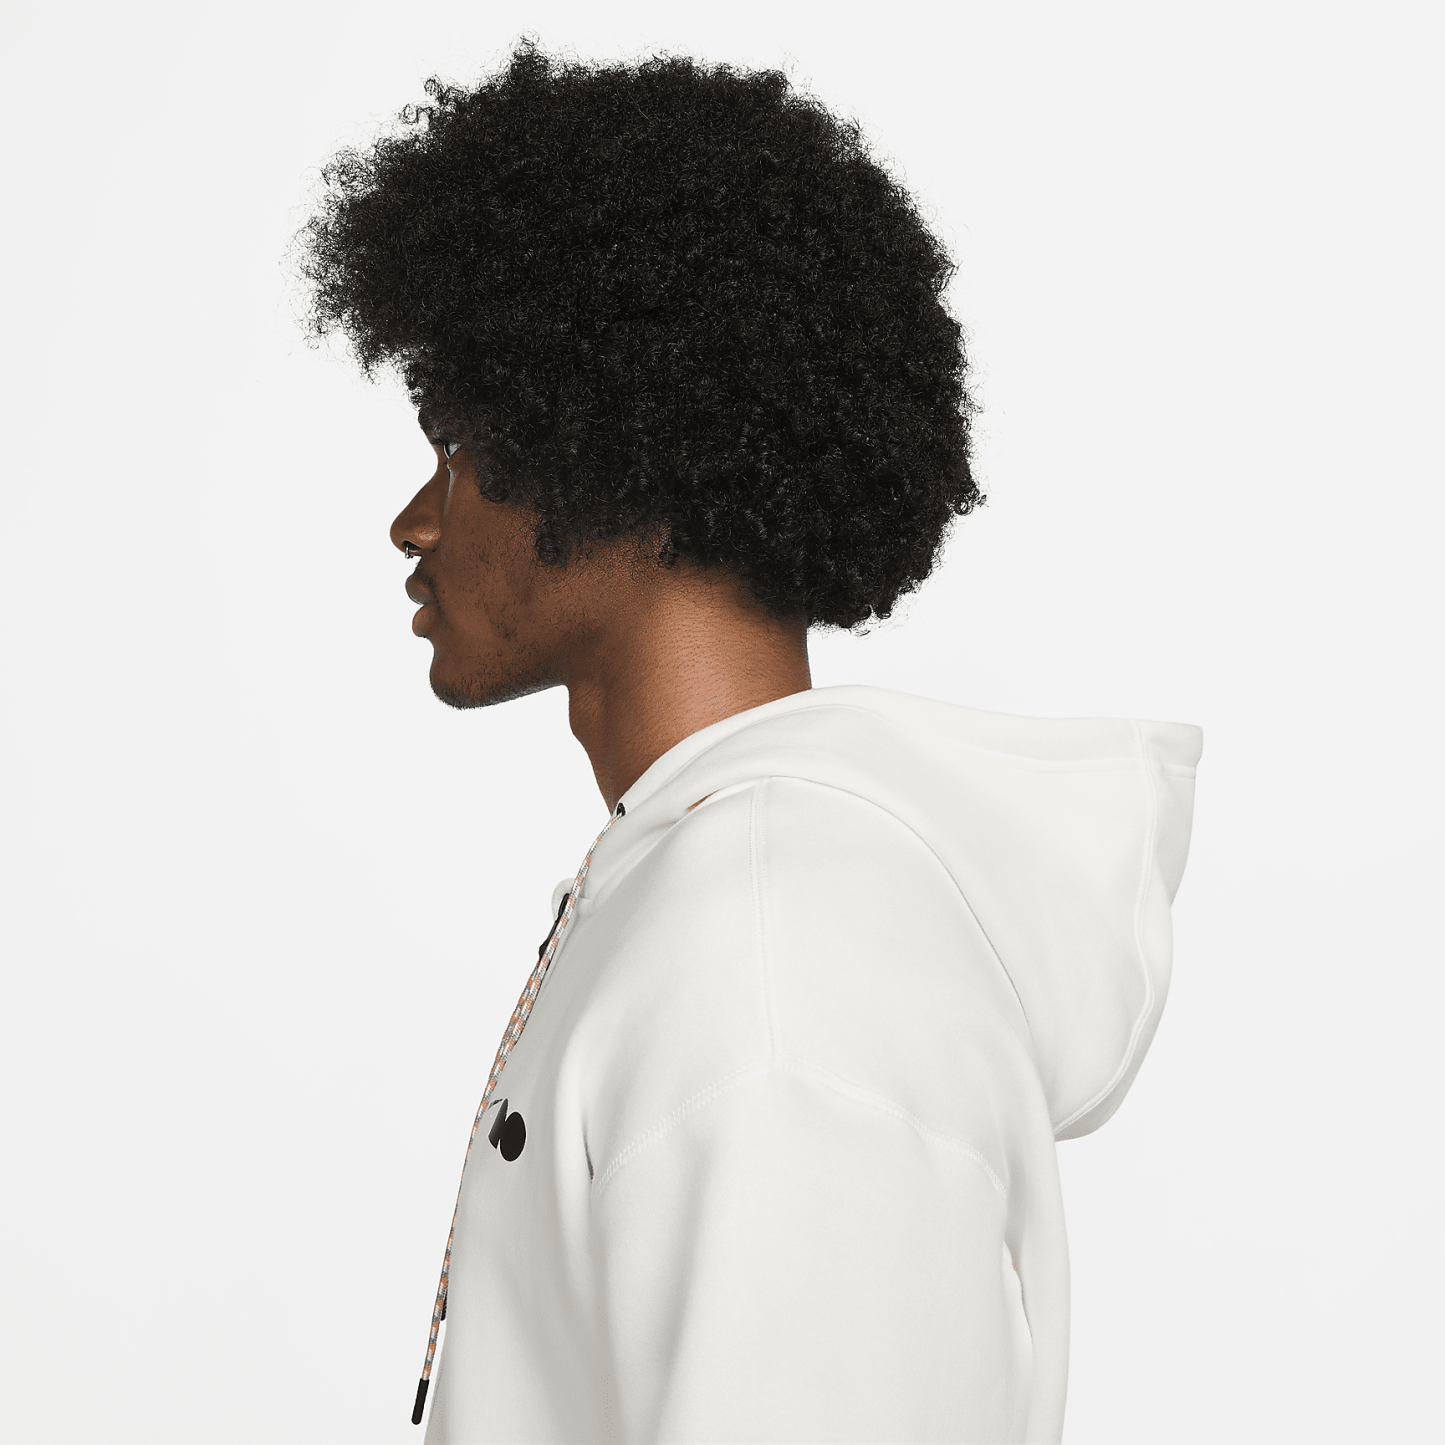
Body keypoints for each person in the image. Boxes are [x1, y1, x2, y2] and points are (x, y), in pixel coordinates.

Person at [300, 39, 1200, 1444]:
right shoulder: (721, 901)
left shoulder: (772, 955)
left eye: (461, 451)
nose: (416, 522)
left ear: (620, 453)